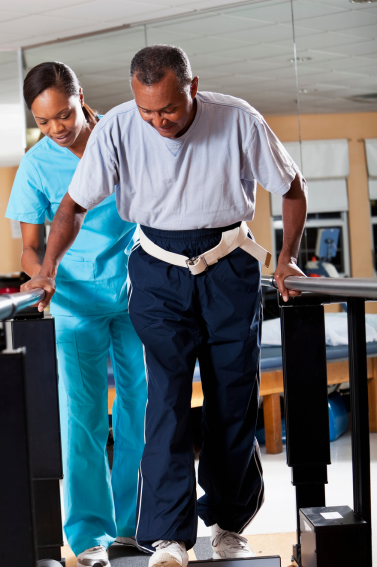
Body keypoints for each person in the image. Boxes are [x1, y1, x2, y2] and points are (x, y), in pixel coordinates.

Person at [23, 46, 307, 567]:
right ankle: (167, 536)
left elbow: (292, 188)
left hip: (228, 266)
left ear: (192, 87)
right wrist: (48, 267)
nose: (158, 122)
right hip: (156, 271)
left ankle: (228, 522)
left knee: (231, 396)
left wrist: (286, 258)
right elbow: (72, 206)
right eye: (146, 110)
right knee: (166, 402)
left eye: (168, 109)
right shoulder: (118, 128)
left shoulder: (238, 119)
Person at [5, 61, 147, 567]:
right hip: (74, 300)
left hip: (138, 293)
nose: (57, 128)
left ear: (79, 96)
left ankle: (138, 527)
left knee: (142, 410)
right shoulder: (35, 165)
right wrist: (39, 275)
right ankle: (90, 537)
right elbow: (30, 248)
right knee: (81, 418)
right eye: (44, 122)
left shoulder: (124, 136)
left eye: (63, 114)